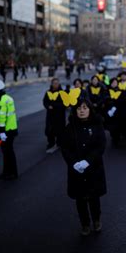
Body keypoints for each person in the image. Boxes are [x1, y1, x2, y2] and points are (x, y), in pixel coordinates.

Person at [61, 98, 107, 236]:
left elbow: (101, 145)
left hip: (93, 168)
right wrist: (73, 163)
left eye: (85, 108)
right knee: (80, 199)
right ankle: (85, 224)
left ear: (90, 110)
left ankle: (96, 220)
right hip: (76, 170)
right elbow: (65, 148)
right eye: (79, 108)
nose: (82, 111)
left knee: (94, 197)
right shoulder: (70, 127)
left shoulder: (97, 124)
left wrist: (88, 161)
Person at [0, 79, 19, 180]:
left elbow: (2, 117)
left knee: (7, 152)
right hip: (11, 129)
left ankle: (9, 173)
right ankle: (10, 172)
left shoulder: (0, 102)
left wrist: (1, 132)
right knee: (8, 152)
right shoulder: (8, 98)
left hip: (6, 131)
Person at [43, 78, 66, 153]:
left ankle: (60, 142)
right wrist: (47, 106)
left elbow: (64, 103)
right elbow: (45, 101)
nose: (56, 84)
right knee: (50, 129)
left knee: (60, 129)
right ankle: (51, 143)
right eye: (54, 83)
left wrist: (54, 105)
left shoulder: (62, 93)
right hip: (50, 115)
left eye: (57, 83)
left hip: (59, 115)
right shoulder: (48, 92)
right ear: (51, 84)